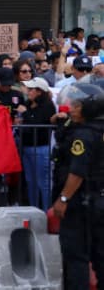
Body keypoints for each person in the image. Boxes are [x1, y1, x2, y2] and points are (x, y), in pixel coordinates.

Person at [50, 83, 104, 289]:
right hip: (98, 198)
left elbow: (77, 171)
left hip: (81, 202)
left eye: (77, 106)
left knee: (76, 254)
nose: (71, 108)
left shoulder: (84, 135)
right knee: (100, 253)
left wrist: (63, 199)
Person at [16, 77, 55, 208]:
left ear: (39, 91)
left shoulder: (47, 106)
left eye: (31, 89)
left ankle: (46, 212)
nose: (27, 91)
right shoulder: (28, 104)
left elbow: (38, 122)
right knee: (30, 182)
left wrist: (25, 114)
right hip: (27, 147)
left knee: (42, 183)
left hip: (41, 148)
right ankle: (34, 210)